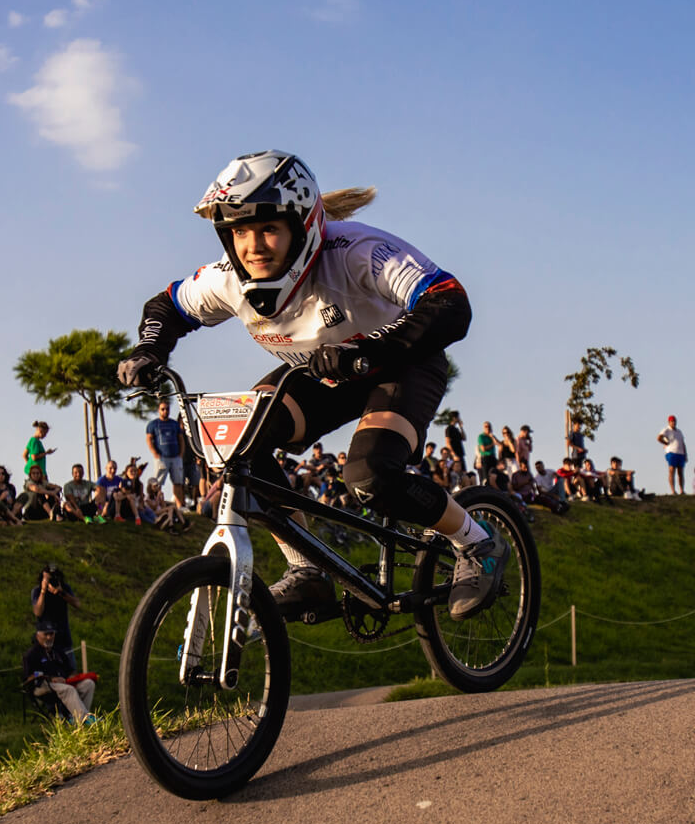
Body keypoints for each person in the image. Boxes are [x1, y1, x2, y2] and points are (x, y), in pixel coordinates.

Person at [116, 150, 504, 622]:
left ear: (302, 226)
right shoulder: (226, 280)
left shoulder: (357, 252)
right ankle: (307, 571)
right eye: (239, 231)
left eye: (268, 229)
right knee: (237, 448)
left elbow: (449, 301)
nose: (252, 246)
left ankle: (476, 541)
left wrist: (370, 352)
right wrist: (149, 351)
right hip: (323, 372)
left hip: (401, 364)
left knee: (369, 477)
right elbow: (166, 307)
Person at [21, 621, 97, 725]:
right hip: (42, 685)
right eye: (45, 634)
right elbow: (28, 677)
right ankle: (84, 719)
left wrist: (72, 677)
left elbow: (70, 670)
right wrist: (50, 679)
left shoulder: (58, 651)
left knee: (88, 684)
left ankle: (76, 718)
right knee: (68, 689)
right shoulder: (31, 654)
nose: (49, 637)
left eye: (51, 634)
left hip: (63, 683)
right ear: (38, 635)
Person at [32, 563, 82, 660]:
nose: (52, 582)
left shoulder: (64, 588)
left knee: (69, 671)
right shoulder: (37, 590)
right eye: (49, 579)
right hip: (45, 640)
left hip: (63, 639)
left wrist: (61, 593)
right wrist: (43, 590)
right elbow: (38, 612)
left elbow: (77, 604)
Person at [146, 399, 191, 508]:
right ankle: (156, 505)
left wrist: (181, 453)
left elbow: (181, 439)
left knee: (178, 482)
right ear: (159, 410)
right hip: (162, 457)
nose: (165, 411)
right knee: (158, 483)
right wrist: (155, 453)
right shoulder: (153, 424)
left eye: (167, 409)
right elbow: (149, 439)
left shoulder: (174, 424)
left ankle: (180, 506)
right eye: (163, 409)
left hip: (175, 457)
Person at [656, 415, 688, 494]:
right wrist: (665, 443)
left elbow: (683, 443)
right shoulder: (666, 430)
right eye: (672, 421)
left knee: (680, 472)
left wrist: (685, 454)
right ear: (669, 422)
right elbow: (659, 437)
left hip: (680, 453)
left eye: (674, 421)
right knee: (671, 470)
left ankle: (682, 490)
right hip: (671, 452)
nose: (673, 423)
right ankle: (673, 490)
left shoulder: (679, 432)